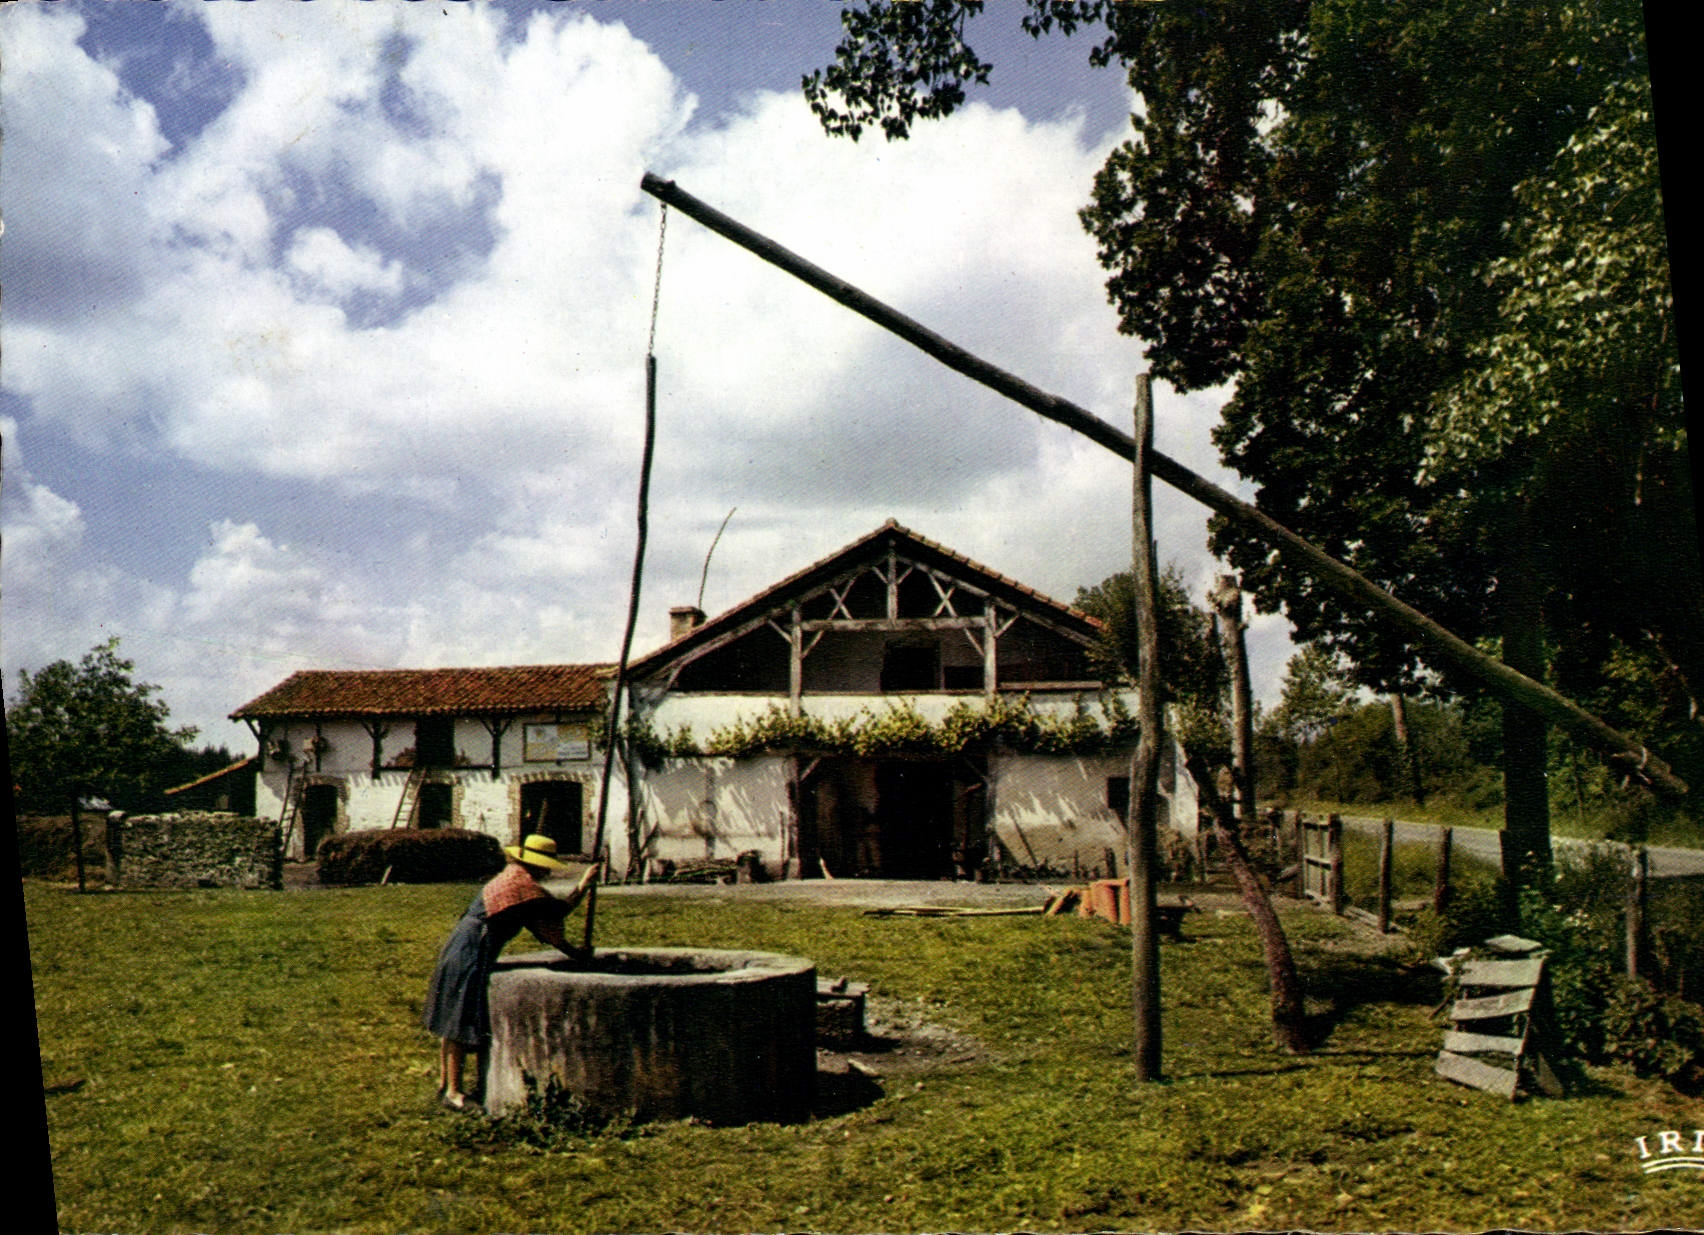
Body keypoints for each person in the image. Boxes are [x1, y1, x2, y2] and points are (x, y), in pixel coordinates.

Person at [422, 833, 600, 1111]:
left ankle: (447, 1085)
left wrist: (574, 952)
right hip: (473, 950)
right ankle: (454, 1094)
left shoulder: (513, 878)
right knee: (459, 1019)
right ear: (536, 864)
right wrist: (584, 886)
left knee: (453, 1017)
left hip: (463, 945)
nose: (548, 870)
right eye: (546, 865)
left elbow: (540, 925)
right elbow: (554, 914)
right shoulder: (522, 886)